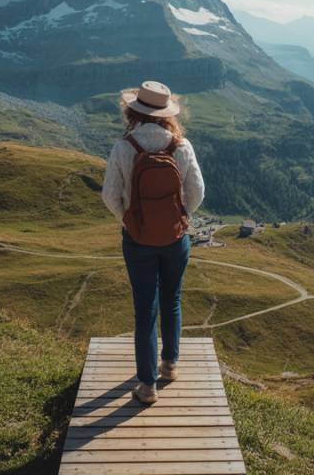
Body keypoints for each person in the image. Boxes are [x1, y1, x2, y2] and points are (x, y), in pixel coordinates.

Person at [101, 80, 205, 405]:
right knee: (172, 300)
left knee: (145, 308)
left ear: (133, 111)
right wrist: (180, 216)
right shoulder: (181, 146)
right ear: (167, 113)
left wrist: (130, 220)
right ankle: (170, 365)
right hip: (175, 239)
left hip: (138, 240)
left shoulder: (124, 147)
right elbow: (197, 192)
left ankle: (147, 386)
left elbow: (110, 195)